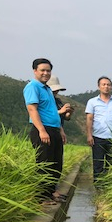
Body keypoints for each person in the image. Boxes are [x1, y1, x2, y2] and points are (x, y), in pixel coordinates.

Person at [23, 58, 64, 206]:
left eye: (48, 70)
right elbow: (32, 109)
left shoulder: (47, 88)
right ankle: (42, 197)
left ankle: (50, 192)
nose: (46, 73)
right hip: (43, 129)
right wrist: (41, 130)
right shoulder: (32, 87)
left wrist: (61, 130)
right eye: (42, 70)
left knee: (56, 163)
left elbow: (52, 111)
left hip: (54, 129)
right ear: (35, 71)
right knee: (44, 164)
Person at [85, 76, 112, 183]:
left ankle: (110, 185)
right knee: (98, 163)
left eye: (108, 84)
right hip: (98, 137)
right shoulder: (92, 102)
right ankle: (98, 186)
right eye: (103, 84)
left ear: (111, 87)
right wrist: (89, 135)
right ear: (99, 86)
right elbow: (89, 119)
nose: (106, 87)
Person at [46, 75, 74, 202]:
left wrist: (67, 113)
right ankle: (46, 194)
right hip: (47, 131)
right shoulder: (45, 99)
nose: (56, 92)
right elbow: (44, 114)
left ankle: (53, 190)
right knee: (47, 163)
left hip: (57, 131)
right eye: (54, 90)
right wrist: (61, 111)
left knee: (57, 163)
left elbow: (63, 118)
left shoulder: (57, 101)